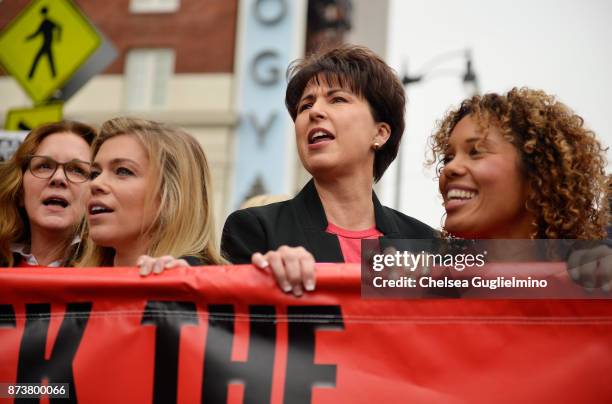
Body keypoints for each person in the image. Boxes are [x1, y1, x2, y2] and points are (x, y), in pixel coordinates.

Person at [222, 45, 436, 295]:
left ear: (380, 133)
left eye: (337, 99)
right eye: (305, 106)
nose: (315, 112)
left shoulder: (426, 244)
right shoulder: (257, 231)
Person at [430, 87, 610, 287]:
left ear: (536, 174)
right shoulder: (426, 286)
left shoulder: (596, 284)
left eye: (476, 152)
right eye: (448, 158)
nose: (450, 168)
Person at [77, 117, 224, 270]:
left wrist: (181, 289)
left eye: (123, 171)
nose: (95, 184)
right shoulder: (70, 286)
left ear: (171, 196)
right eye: (94, 174)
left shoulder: (206, 288)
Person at [0, 121, 96, 267]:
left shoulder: (117, 272)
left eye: (77, 170)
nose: (58, 178)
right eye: (44, 166)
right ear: (19, 190)